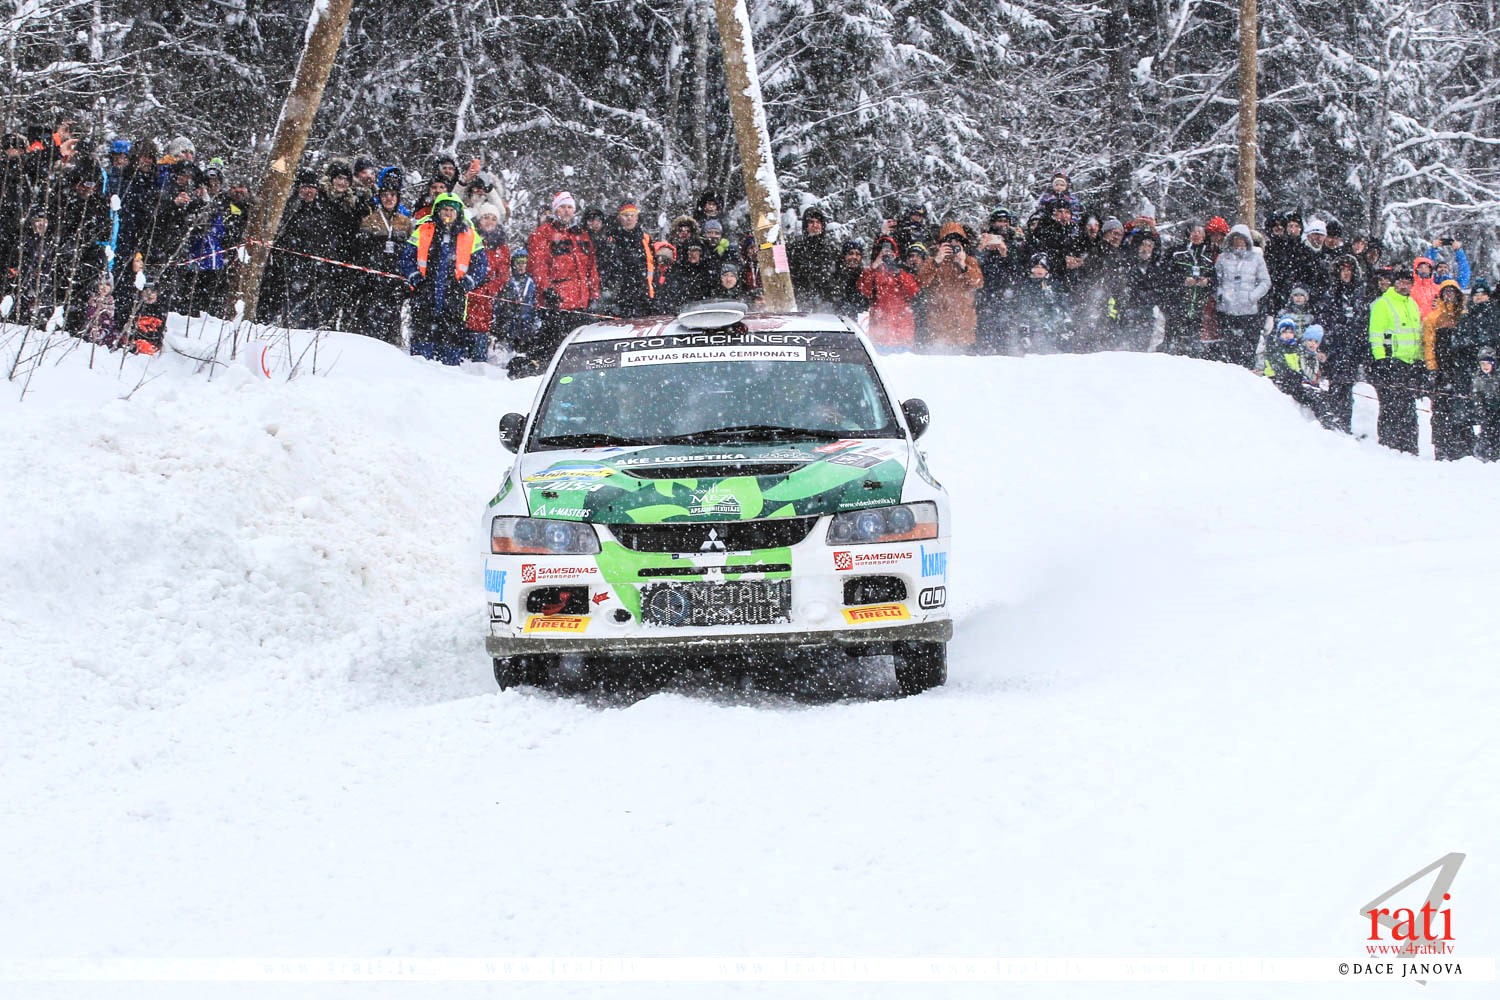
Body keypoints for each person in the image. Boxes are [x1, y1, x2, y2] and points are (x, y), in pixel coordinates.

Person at [401, 192, 488, 366]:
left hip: (455, 294)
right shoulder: (424, 230)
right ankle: (418, 370)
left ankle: (449, 371)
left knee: (451, 338)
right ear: (437, 211)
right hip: (425, 291)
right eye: (445, 210)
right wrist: (415, 277)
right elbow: (407, 257)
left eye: (451, 210)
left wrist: (467, 282)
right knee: (422, 338)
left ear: (458, 213)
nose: (448, 213)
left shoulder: (470, 234)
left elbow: (481, 265)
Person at [526, 190, 598, 365]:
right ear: (555, 209)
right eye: (562, 207)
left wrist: (594, 293)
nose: (566, 211)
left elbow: (591, 267)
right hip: (557, 301)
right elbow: (538, 265)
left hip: (581, 302)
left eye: (569, 207)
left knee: (578, 347)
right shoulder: (543, 233)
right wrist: (547, 289)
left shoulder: (581, 234)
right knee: (554, 347)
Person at [1367, 265, 1424, 455]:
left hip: (1410, 362)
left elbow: (1416, 334)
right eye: (1401, 282)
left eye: (1408, 283)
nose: (1404, 286)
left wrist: (1419, 359)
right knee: (1391, 406)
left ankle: (1409, 446)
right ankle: (1389, 445)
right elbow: (1376, 333)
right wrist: (1381, 359)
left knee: (1409, 407)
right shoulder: (1384, 303)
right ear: (1395, 283)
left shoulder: (1412, 304)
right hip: (1392, 361)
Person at [353, 177, 414, 345]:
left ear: (397, 197)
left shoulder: (405, 222)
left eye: (392, 195)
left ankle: (392, 345)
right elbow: (362, 250)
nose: (389, 198)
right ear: (379, 197)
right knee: (371, 315)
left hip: (396, 278)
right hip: (374, 277)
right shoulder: (370, 220)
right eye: (385, 195)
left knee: (393, 316)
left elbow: (410, 250)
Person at [1313, 255, 1369, 433]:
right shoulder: (1331, 294)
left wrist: (1361, 347)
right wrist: (1325, 346)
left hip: (1352, 348)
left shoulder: (1359, 294)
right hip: (1334, 347)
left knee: (1347, 387)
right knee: (1335, 385)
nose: (1346, 274)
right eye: (1343, 270)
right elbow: (1323, 320)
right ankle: (1333, 424)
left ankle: (1345, 425)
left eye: (1349, 270)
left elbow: (1363, 322)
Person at [1422, 280, 1471, 461]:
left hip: (1462, 372)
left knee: (1463, 410)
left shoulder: (1465, 315)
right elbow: (1429, 344)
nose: (1449, 295)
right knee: (1441, 411)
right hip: (1442, 371)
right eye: (1446, 292)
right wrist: (1432, 368)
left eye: (1452, 291)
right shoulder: (1433, 318)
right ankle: (1442, 447)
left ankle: (1464, 448)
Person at [914, 223, 983, 353]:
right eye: (949, 242)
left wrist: (963, 266)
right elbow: (921, 283)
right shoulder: (933, 261)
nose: (953, 245)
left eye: (957, 242)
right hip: (939, 324)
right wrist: (937, 261)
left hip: (964, 325)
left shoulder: (970, 261)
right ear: (941, 245)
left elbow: (978, 282)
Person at [1212, 224, 1271, 367]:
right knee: (1228, 346)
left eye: (1242, 239)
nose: (1239, 242)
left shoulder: (1256, 259)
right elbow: (1215, 280)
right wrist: (1221, 295)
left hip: (1248, 310)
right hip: (1226, 309)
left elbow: (1265, 282)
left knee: (1248, 347)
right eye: (1235, 238)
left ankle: (1246, 370)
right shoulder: (1223, 258)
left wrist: (1252, 297)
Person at [856, 235, 919, 351]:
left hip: (902, 332)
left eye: (890, 250)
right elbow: (864, 291)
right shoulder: (872, 271)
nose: (886, 254)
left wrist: (898, 272)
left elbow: (913, 291)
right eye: (882, 250)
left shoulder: (903, 270)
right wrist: (874, 266)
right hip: (880, 332)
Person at [465, 205, 512, 354]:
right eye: (486, 218)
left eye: (493, 219)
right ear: (479, 220)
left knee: (481, 330)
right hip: (468, 289)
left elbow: (503, 273)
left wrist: (489, 289)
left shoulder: (501, 246)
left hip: (487, 297)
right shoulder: (469, 237)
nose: (489, 222)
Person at [596, 200, 656, 317]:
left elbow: (653, 266)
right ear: (619, 218)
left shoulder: (645, 239)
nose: (629, 218)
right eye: (625, 215)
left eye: (632, 215)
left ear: (637, 218)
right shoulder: (611, 239)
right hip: (619, 296)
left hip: (644, 294)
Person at [1164, 224, 1215, 355]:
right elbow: (1166, 274)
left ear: (1204, 237)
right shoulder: (1177, 252)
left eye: (1200, 232)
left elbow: (1215, 280)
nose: (1196, 235)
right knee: (1172, 344)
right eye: (1194, 232)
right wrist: (1183, 280)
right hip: (1177, 305)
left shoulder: (1208, 258)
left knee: (1193, 347)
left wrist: (1207, 282)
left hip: (1197, 307)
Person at [498, 247, 544, 378]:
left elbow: (536, 302)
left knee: (527, 350)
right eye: (518, 263)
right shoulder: (509, 282)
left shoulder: (532, 282)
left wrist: (536, 320)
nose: (521, 266)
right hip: (512, 323)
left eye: (524, 263)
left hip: (528, 324)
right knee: (512, 350)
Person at [788, 206, 840, 311]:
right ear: (805, 225)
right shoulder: (794, 248)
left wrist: (833, 291)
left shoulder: (832, 250)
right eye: (811, 222)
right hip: (801, 301)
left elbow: (839, 276)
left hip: (826, 303)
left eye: (818, 222)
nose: (815, 225)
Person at [1473, 347, 1500, 461]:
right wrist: (1480, 408)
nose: (1485, 366)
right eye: (1482, 363)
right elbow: (1477, 395)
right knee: (1487, 430)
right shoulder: (1478, 378)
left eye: (1488, 363)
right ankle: (1486, 452)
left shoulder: (1497, 377)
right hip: (1487, 411)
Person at [831, 239, 869, 319]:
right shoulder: (834, 274)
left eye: (857, 254)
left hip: (858, 319)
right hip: (835, 318)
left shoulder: (864, 276)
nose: (854, 257)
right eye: (850, 253)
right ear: (844, 255)